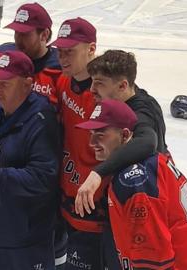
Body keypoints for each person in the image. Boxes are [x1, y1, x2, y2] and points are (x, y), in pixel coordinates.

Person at [76, 99, 187, 269]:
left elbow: (154, 263)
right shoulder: (148, 163)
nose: (92, 143)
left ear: (125, 135)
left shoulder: (133, 182)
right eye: (91, 133)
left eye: (100, 135)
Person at [0, 50, 61, 269]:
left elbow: (43, 178)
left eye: (5, 82)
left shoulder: (42, 119)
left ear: (27, 84)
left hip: (24, 241)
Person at [50, 18, 120, 269]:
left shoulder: (107, 97)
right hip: (66, 200)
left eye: (70, 51)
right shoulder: (62, 82)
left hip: (95, 208)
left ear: (92, 49)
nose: (63, 57)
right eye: (59, 51)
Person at [75, 50, 168, 218]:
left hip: (143, 206)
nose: (92, 90)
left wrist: (98, 173)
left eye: (99, 83)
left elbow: (147, 141)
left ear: (122, 86)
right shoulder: (131, 96)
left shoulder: (140, 112)